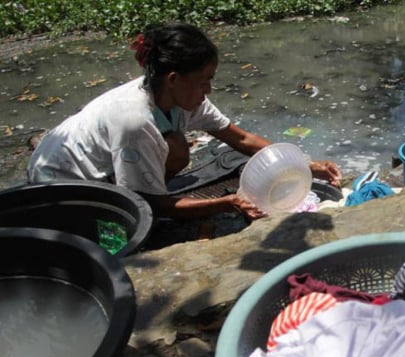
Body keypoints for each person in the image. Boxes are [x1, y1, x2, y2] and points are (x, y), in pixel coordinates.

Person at [27, 23, 342, 221]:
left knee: (177, 147)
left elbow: (240, 139)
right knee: (136, 215)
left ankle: (137, 179)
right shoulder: (135, 122)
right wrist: (225, 203)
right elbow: (153, 206)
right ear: (174, 79)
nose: (208, 89)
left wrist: (305, 164)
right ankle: (128, 186)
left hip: (90, 157)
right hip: (60, 186)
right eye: (204, 81)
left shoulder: (181, 97)